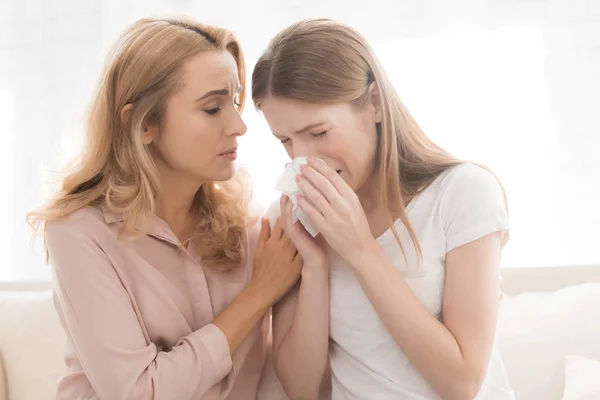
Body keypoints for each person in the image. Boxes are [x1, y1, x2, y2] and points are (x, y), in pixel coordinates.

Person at [26, 17, 302, 400]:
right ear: (141, 125)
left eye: (235, 103)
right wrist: (259, 294)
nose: (239, 126)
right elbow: (140, 392)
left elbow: (272, 375)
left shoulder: (250, 228)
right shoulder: (79, 233)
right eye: (212, 108)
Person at [254, 19, 515, 400]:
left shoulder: (463, 193)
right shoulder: (291, 217)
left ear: (374, 104)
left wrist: (359, 248)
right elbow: (303, 389)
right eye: (285, 141)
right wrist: (314, 267)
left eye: (319, 133)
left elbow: (462, 383)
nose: (303, 158)